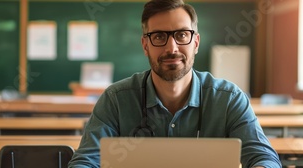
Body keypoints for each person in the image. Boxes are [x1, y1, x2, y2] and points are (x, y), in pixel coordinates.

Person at [68, 0, 282, 167]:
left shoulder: (229, 99)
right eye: (159, 36)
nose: (172, 48)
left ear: (196, 42)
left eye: (181, 35)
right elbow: (85, 161)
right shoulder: (115, 99)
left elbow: (264, 157)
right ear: (145, 45)